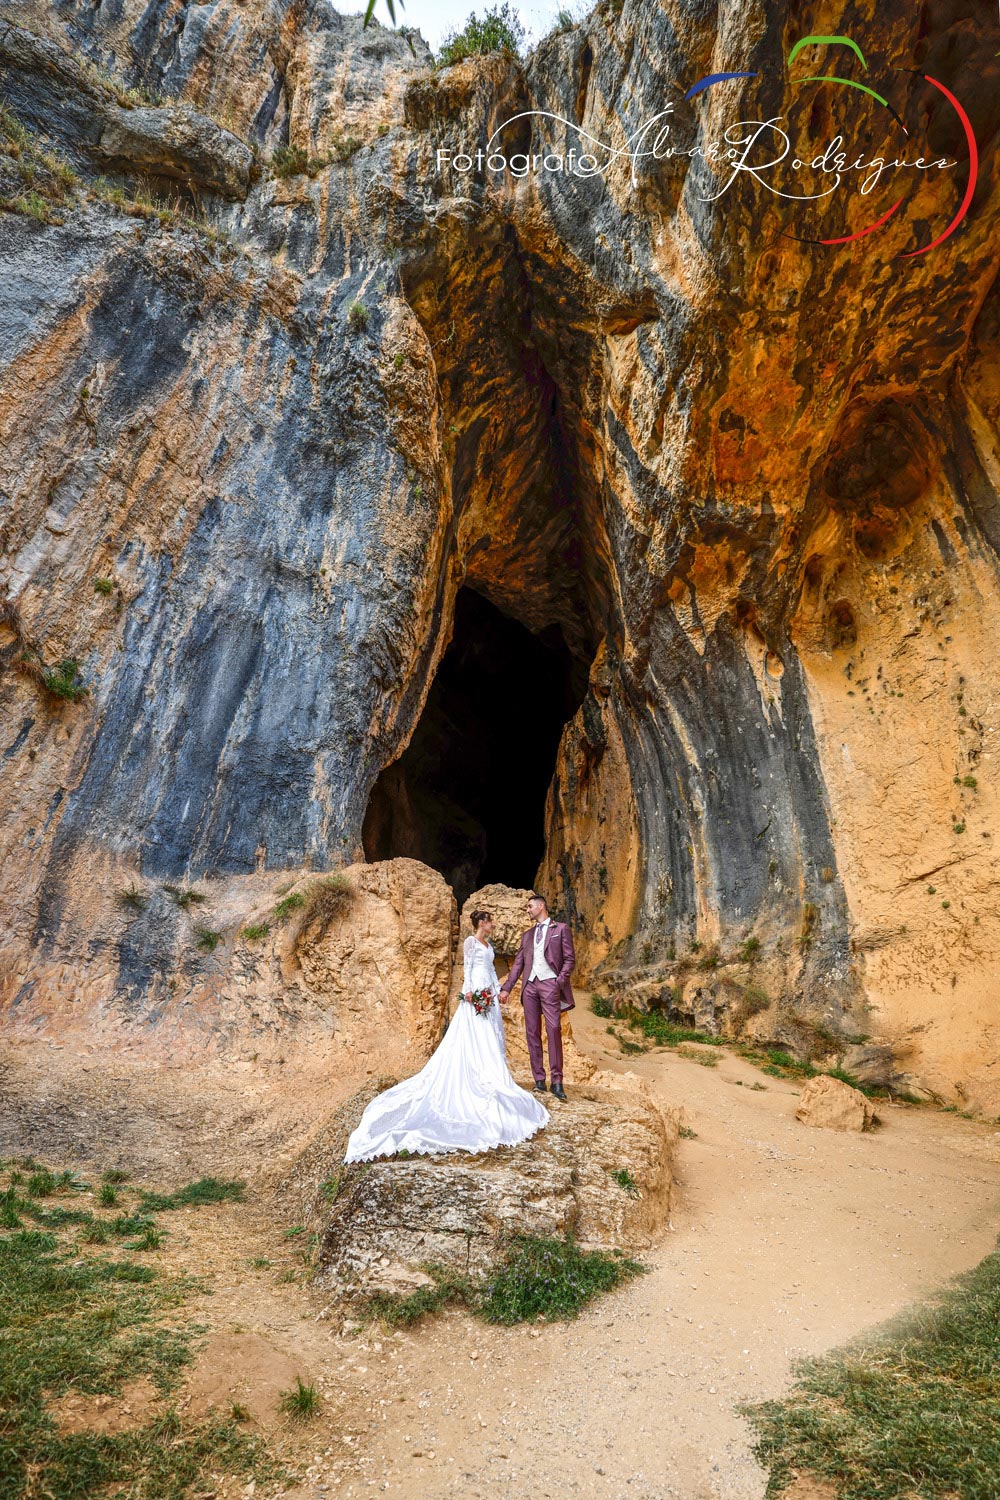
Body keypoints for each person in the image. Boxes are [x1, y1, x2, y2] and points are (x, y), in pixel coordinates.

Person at [343, 908, 549, 1162]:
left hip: (490, 997)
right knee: (476, 1038)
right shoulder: (471, 942)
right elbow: (469, 970)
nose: (493, 924)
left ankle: (491, 1073)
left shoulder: (488, 943)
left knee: (492, 1037)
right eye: (490, 921)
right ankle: (478, 1075)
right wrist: (471, 996)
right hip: (476, 998)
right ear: (482, 923)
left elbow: (490, 971)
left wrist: (498, 991)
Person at [499, 893, 575, 1102]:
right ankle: (539, 1080)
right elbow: (518, 965)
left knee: (553, 1030)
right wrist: (506, 988)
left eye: (530, 906)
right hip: (530, 987)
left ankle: (557, 1081)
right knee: (532, 1032)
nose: (528, 910)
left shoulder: (560, 929)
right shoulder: (527, 935)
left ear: (541, 906)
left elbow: (569, 959)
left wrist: (558, 982)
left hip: (550, 984)